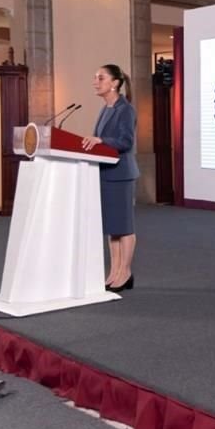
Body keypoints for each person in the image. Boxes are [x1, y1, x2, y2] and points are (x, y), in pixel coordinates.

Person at [81, 64, 140, 293]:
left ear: (115, 83)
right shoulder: (106, 108)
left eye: (101, 78)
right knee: (112, 227)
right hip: (105, 173)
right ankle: (113, 272)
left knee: (124, 226)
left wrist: (101, 141)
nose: (96, 81)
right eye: (95, 77)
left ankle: (125, 272)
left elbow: (125, 142)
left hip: (121, 174)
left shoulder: (126, 109)